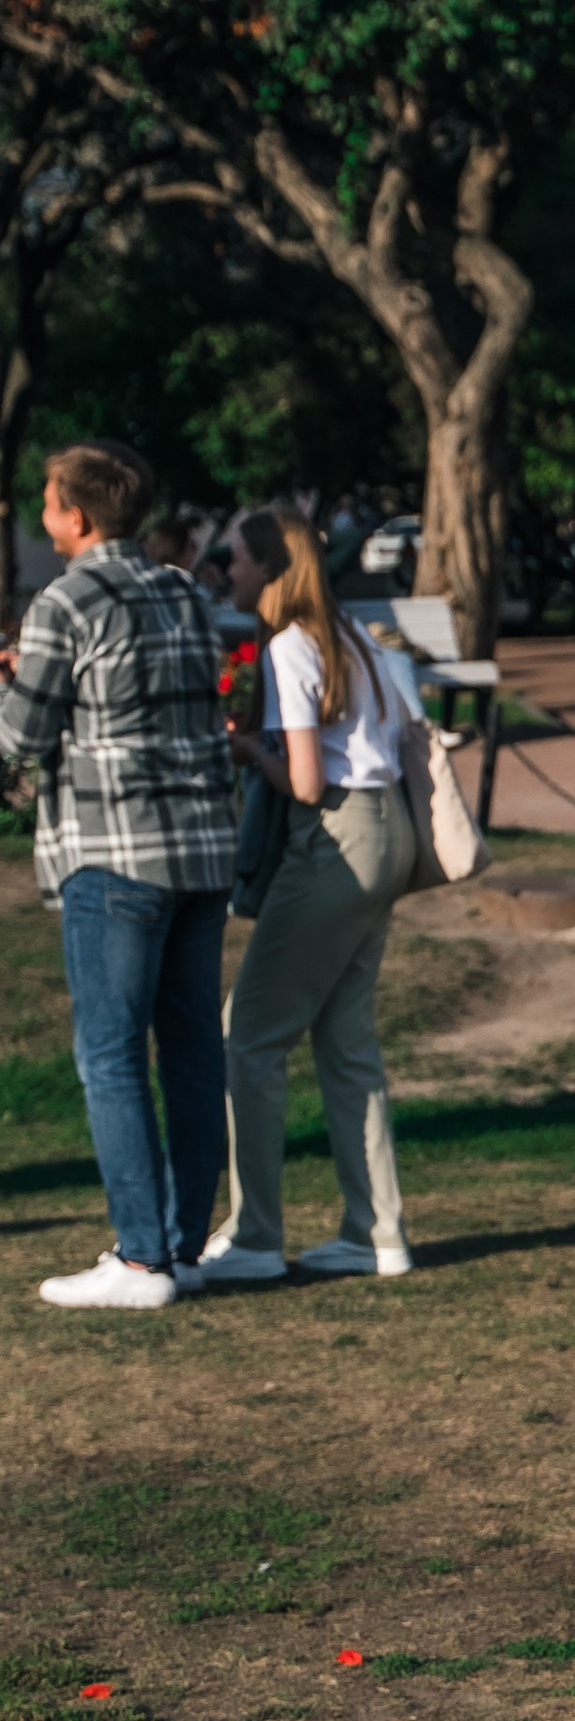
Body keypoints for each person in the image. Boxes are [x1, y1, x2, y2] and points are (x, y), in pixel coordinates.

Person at [0, 441, 235, 1311]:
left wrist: (16, 689)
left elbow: (17, 741)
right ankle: (179, 1245)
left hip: (115, 851)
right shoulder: (183, 590)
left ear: (79, 516)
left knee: (109, 1053)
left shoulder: (64, 600)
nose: (42, 514)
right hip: (201, 851)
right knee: (189, 1050)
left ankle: (139, 1262)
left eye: (51, 502)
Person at [211, 509, 424, 1283]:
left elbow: (305, 781)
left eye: (235, 559)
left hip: (335, 841)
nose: (227, 570)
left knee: (248, 1037)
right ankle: (376, 1231)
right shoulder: (358, 638)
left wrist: (246, 751)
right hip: (391, 833)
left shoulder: (290, 649)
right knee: (346, 1041)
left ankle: (256, 1234)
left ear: (267, 570)